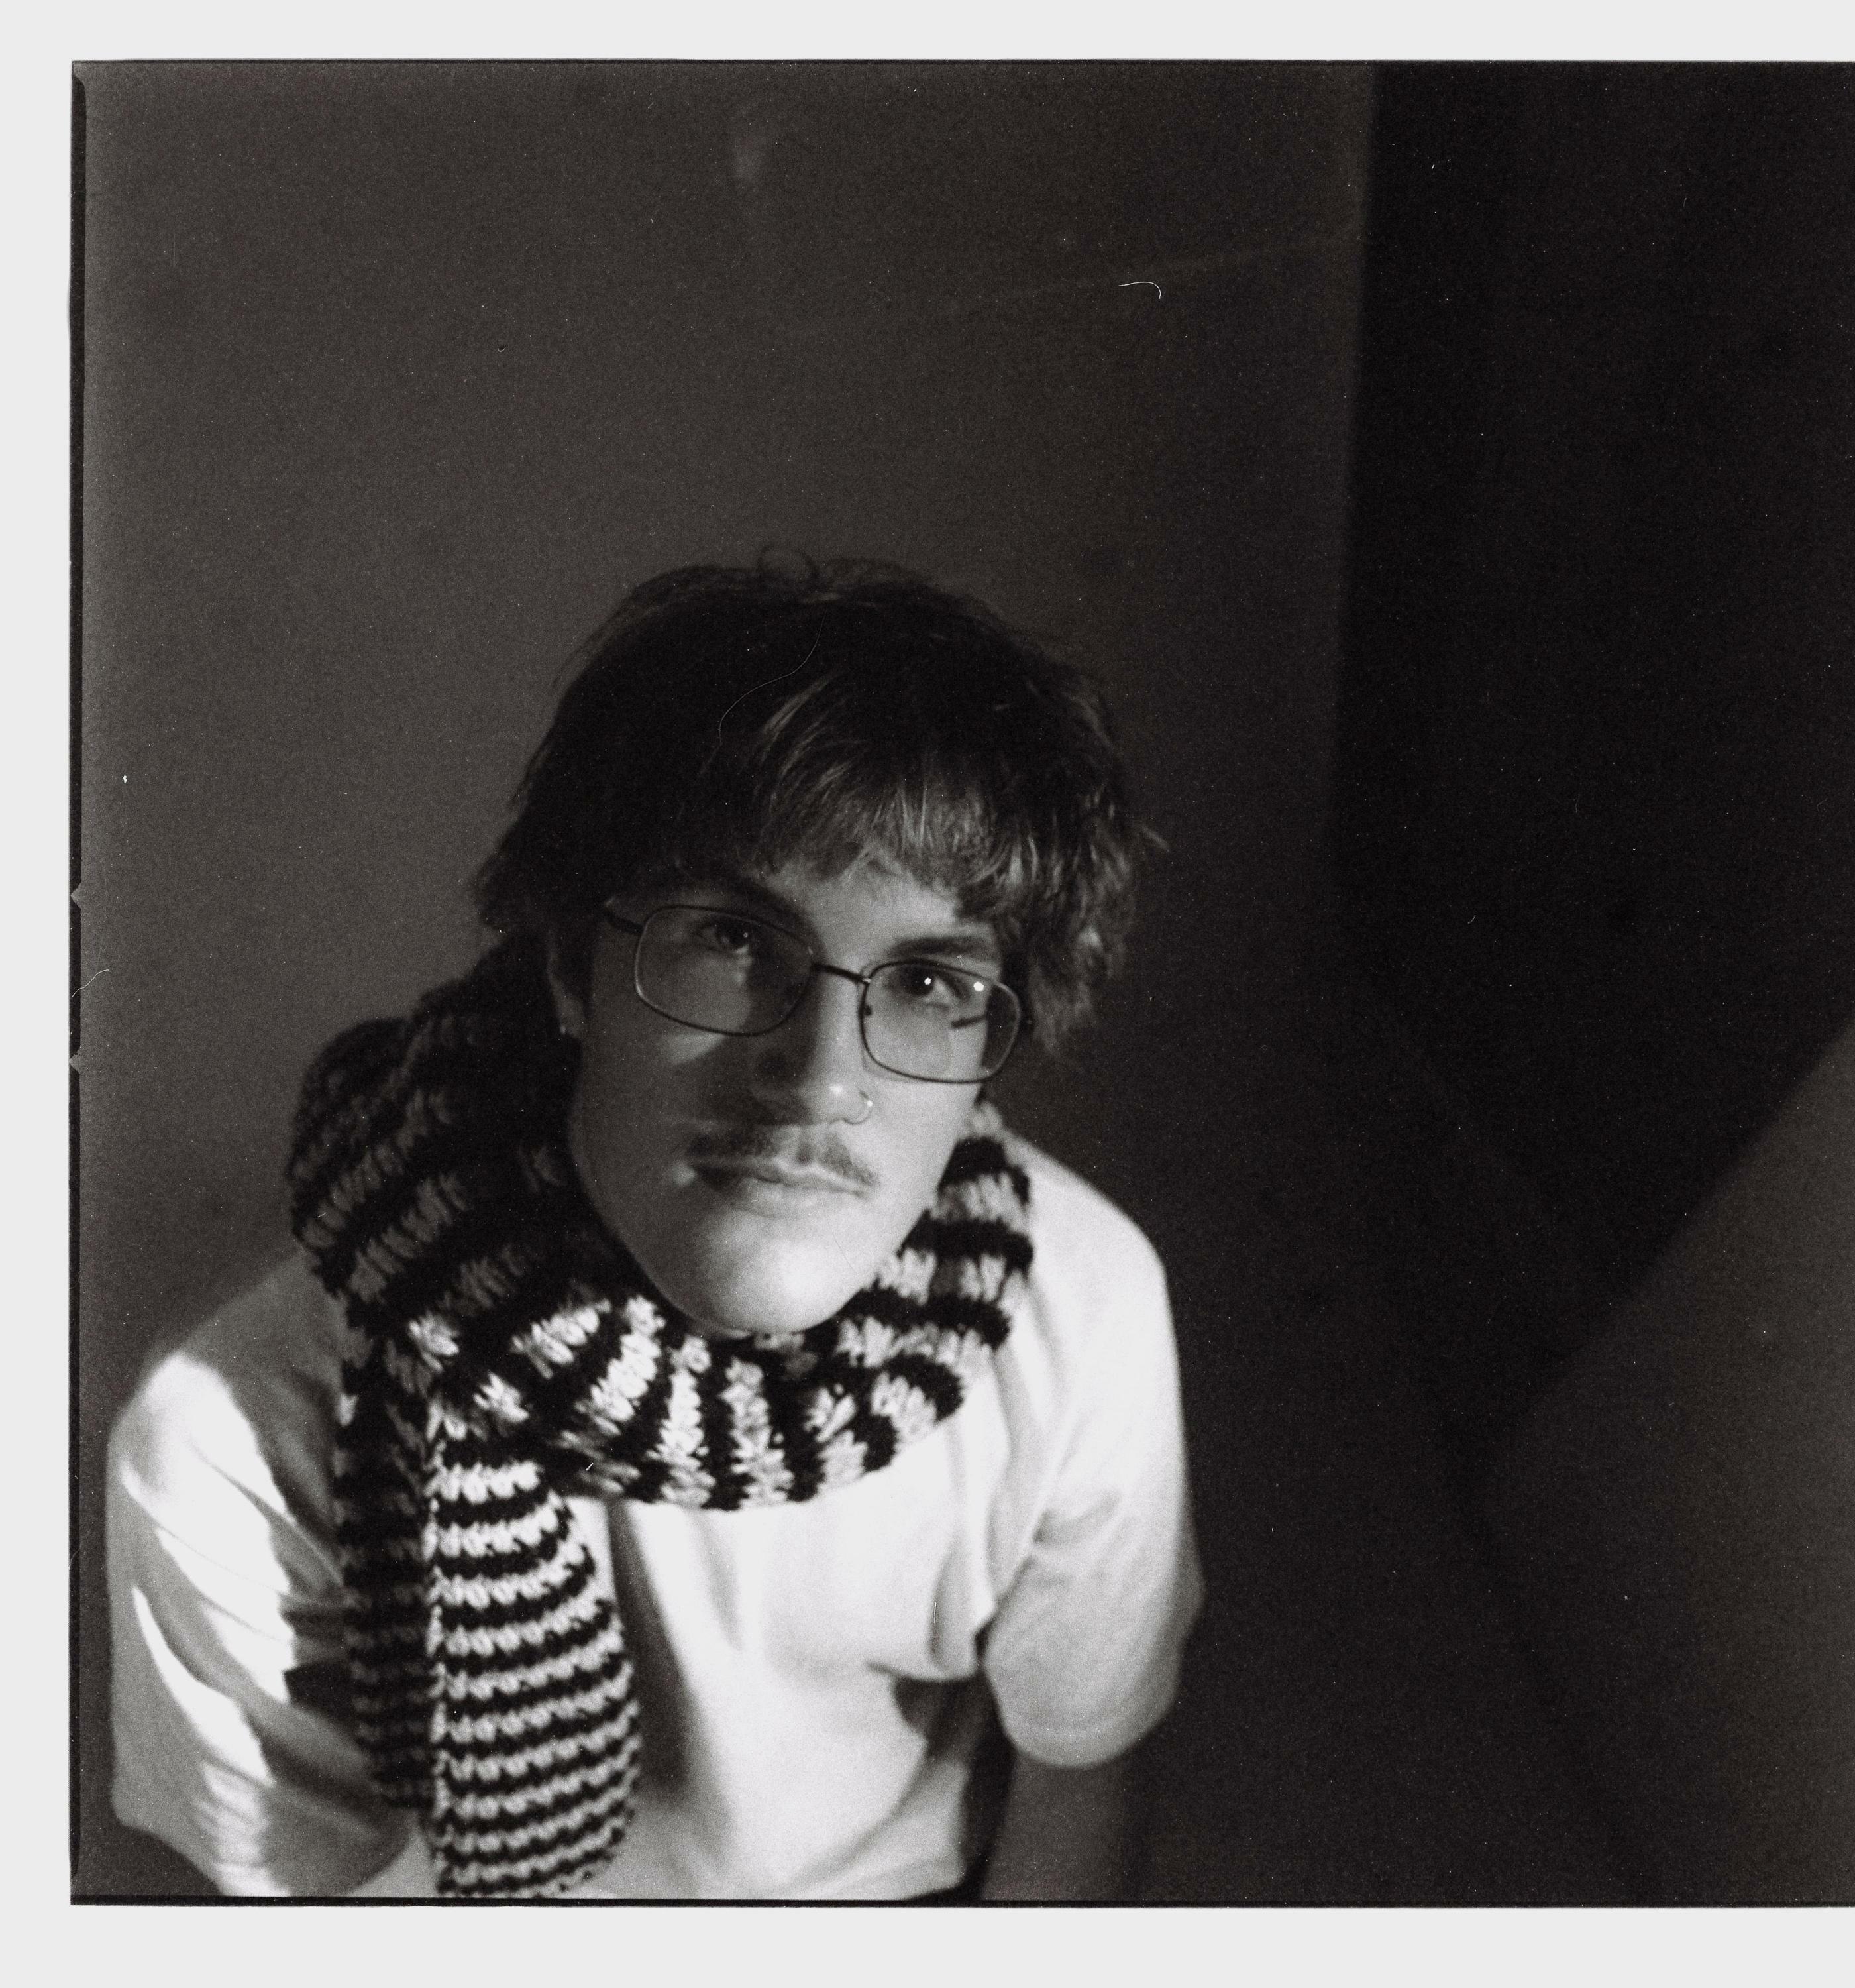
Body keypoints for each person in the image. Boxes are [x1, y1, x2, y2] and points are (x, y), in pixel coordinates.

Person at [104, 557, 1202, 1900]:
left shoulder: (1077, 1308)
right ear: (569, 962)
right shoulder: (233, 1441)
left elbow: (1075, 1799)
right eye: (732, 940)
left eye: (927, 982)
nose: (821, 1078)